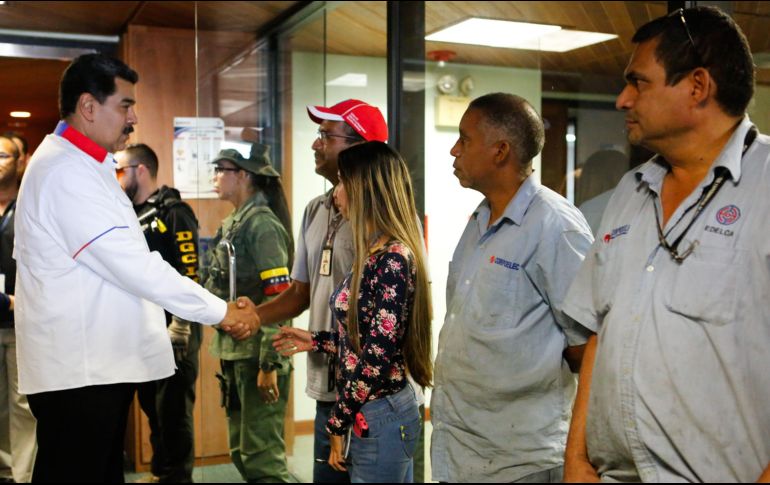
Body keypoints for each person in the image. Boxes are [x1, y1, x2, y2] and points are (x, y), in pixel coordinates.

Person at [13, 53, 258, 483]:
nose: (134, 117)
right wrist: (220, 312)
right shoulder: (64, 171)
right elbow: (134, 266)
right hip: (81, 373)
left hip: (94, 368)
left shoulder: (88, 166)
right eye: (125, 105)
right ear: (88, 107)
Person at [562, 7, 770, 483]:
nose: (622, 99)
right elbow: (600, 332)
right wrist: (577, 461)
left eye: (639, 83)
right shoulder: (630, 192)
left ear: (697, 86)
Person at [429, 93, 594, 483]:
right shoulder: (479, 219)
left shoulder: (556, 227)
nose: (454, 150)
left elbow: (587, 351)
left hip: (521, 463)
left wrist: (579, 454)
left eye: (464, 139)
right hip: (462, 452)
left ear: (500, 150)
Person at [273, 141, 432, 483]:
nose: (337, 194)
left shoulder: (392, 258)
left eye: (344, 183)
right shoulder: (373, 251)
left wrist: (337, 420)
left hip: (378, 412)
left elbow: (377, 357)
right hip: (369, 408)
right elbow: (366, 338)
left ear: (366, 191)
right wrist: (318, 340)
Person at [248, 99, 387, 483]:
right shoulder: (316, 210)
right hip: (328, 393)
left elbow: (384, 327)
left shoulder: (382, 220)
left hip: (371, 398)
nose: (315, 144)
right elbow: (299, 293)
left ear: (358, 148)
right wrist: (252, 315)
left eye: (326, 136)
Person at [202, 143, 294, 483]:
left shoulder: (262, 226)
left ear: (243, 176)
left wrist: (269, 364)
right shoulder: (234, 223)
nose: (215, 177)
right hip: (237, 353)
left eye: (221, 170)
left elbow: (280, 300)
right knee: (243, 454)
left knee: (263, 460)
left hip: (258, 355)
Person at [115, 143, 201, 483]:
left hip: (174, 330)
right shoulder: (128, 213)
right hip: (143, 330)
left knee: (173, 412)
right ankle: (160, 472)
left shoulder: (173, 211)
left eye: (119, 170)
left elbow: (189, 271)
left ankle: (176, 477)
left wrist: (181, 323)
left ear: (141, 170)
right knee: (153, 407)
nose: (115, 177)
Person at [0, 136, 36, 484]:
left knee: (23, 406)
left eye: (2, 155)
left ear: (20, 161)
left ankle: (22, 476)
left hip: (21, 322)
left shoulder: (31, 202)